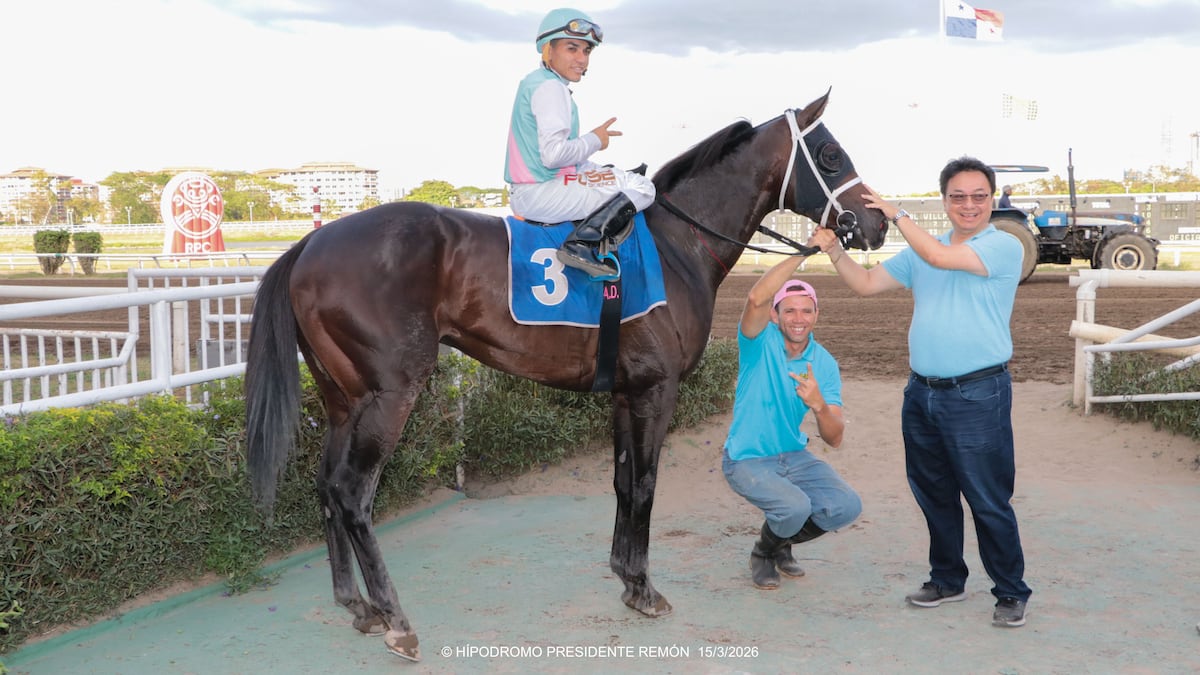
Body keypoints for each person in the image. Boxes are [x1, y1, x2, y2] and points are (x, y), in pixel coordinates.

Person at [812, 156, 1033, 628]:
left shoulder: (1002, 246)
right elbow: (868, 284)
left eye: (978, 196)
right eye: (958, 196)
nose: (968, 205)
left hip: (977, 394)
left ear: (991, 200)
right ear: (945, 200)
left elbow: (937, 256)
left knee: (987, 497)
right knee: (934, 494)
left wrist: (897, 214)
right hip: (922, 394)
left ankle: (1011, 591)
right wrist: (834, 252)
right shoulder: (922, 251)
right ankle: (948, 579)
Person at [722, 254, 862, 590]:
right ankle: (765, 553)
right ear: (775, 314)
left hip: (794, 457)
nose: (798, 319)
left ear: (816, 315)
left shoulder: (823, 363)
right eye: (789, 310)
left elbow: (835, 437)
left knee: (845, 506)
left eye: (806, 310)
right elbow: (756, 297)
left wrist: (818, 407)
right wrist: (804, 253)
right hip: (746, 458)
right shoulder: (758, 342)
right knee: (794, 508)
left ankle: (773, 545)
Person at [504, 7, 656, 278]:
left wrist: (603, 170)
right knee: (644, 189)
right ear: (548, 49)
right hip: (540, 193)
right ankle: (580, 243)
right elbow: (553, 156)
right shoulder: (551, 88)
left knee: (626, 179)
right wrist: (595, 140)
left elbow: (561, 158)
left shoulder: (539, 81)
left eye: (586, 51)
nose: (581, 59)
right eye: (572, 49)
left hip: (538, 187)